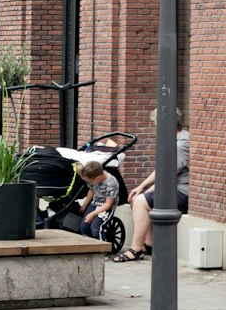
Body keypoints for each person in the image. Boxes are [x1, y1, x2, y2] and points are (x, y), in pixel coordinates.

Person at [112, 113, 189, 264]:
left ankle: (135, 249)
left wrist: (147, 191)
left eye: (156, 125)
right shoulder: (175, 139)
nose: (155, 129)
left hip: (182, 191)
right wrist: (141, 187)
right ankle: (150, 244)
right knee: (138, 198)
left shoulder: (180, 145)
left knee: (141, 201)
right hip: (173, 186)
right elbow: (162, 170)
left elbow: (168, 175)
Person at [76, 159, 119, 238]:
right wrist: (85, 205)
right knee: (83, 226)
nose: (88, 183)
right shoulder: (93, 180)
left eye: (89, 181)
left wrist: (93, 214)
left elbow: (108, 204)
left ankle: (101, 248)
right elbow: (91, 190)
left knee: (96, 227)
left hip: (106, 206)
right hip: (95, 203)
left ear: (97, 178)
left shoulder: (110, 183)